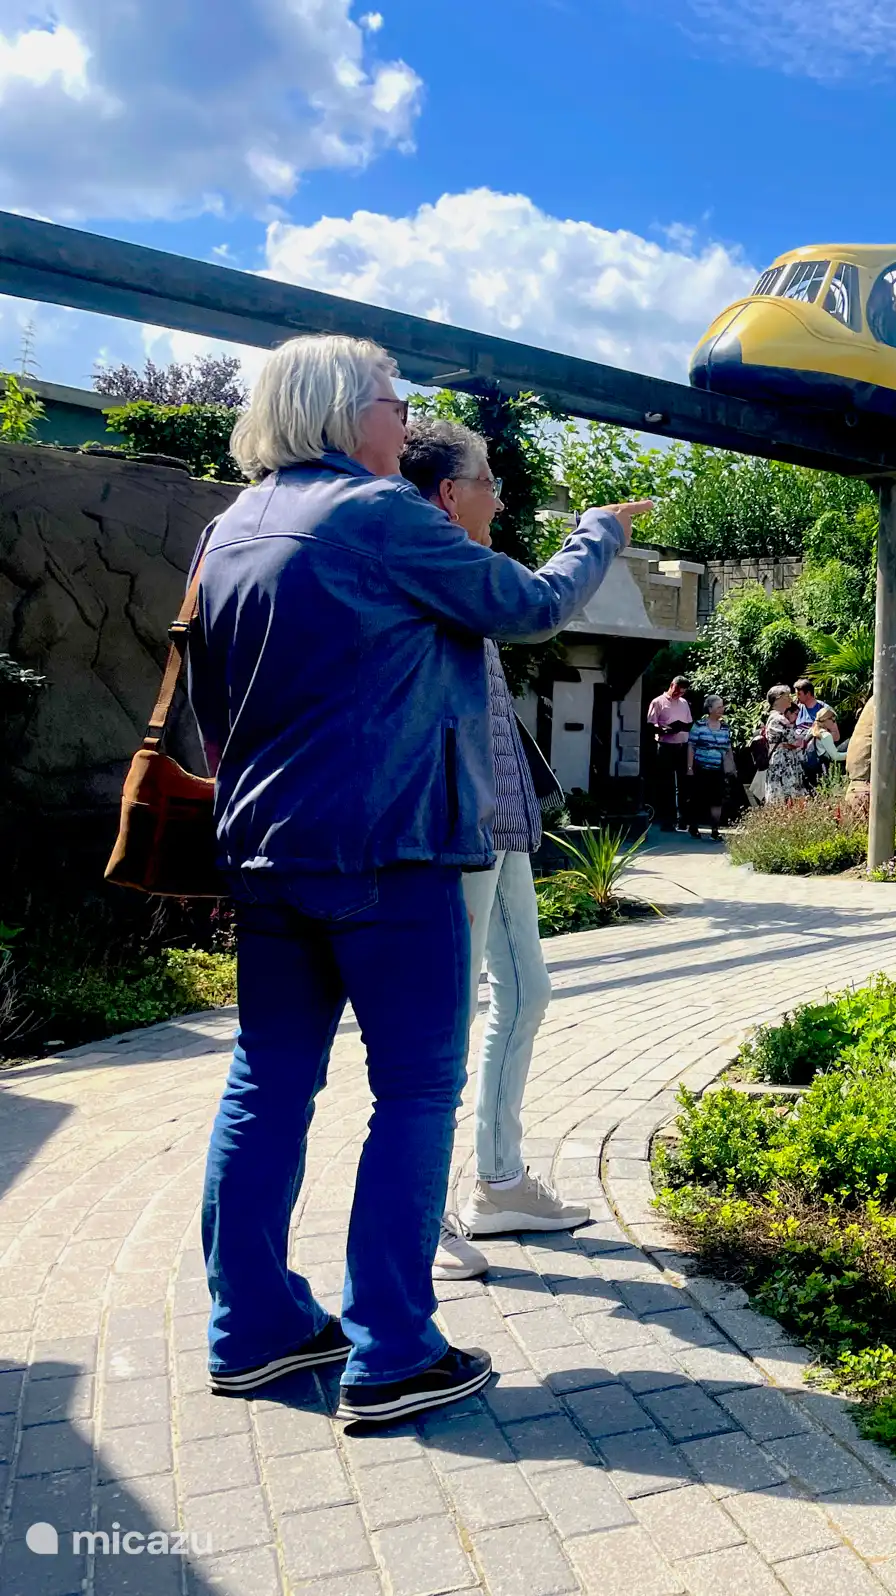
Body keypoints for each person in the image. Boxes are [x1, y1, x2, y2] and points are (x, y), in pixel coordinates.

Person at [187, 334, 647, 1425]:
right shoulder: (378, 513)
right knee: (415, 1093)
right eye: (394, 402)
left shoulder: (231, 526)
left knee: (267, 1083)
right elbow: (529, 607)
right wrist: (593, 536)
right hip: (389, 853)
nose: (404, 421)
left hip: (263, 849)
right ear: (351, 413)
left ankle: (251, 1330)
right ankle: (392, 1349)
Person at [399, 421, 634, 1277]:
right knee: (447, 1021)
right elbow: (541, 605)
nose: (500, 497)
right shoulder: (425, 566)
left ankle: (497, 1184)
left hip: (500, 826)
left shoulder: (461, 572)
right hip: (458, 830)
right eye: (487, 481)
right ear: (448, 493)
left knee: (527, 991)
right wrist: (599, 531)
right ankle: (423, 1215)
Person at [685, 695, 735, 841]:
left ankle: (715, 828)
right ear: (710, 709)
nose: (722, 709)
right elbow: (691, 746)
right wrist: (689, 767)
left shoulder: (725, 727)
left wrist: (731, 766)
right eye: (719, 706)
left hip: (717, 768)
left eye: (722, 706)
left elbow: (728, 748)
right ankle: (693, 826)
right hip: (701, 767)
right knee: (698, 797)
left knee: (717, 799)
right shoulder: (699, 725)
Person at [646, 676, 694, 829]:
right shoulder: (658, 702)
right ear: (672, 685)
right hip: (665, 745)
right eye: (676, 692)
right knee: (665, 784)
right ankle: (667, 820)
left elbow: (689, 724)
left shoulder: (684, 703)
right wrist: (663, 729)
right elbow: (650, 725)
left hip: (682, 745)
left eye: (682, 693)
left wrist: (682, 727)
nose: (678, 695)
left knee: (684, 783)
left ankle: (682, 819)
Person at [762, 685, 809, 803]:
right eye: (787, 696)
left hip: (786, 758)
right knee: (785, 794)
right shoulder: (777, 719)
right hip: (782, 761)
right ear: (778, 699)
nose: (790, 698)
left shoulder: (779, 717)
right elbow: (795, 740)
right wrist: (795, 742)